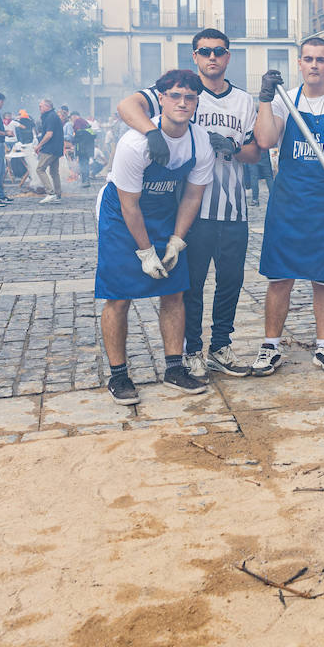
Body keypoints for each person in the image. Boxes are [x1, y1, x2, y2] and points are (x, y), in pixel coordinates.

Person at [115, 28, 280, 380]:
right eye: (204, 51)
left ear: (228, 56)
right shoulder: (182, 89)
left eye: (219, 51)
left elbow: (256, 152)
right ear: (195, 56)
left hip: (233, 205)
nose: (212, 57)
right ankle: (192, 351)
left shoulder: (242, 101)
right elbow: (127, 106)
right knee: (192, 285)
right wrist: (151, 132)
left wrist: (234, 148)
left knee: (231, 282)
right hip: (192, 210)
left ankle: (220, 346)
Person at [95, 69, 215, 404]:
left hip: (163, 214)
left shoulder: (199, 140)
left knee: (174, 293)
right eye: (175, 96)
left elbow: (192, 195)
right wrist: (145, 253)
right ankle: (119, 376)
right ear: (160, 99)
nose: (182, 103)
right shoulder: (134, 144)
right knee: (119, 297)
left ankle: (175, 368)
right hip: (121, 218)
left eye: (189, 97)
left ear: (196, 103)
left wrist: (177, 240)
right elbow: (129, 203)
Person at [254, 36, 324, 375]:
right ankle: (270, 346)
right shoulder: (284, 102)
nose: (315, 65)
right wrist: (264, 98)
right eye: (308, 59)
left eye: (321, 59)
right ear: (299, 64)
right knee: (279, 277)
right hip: (288, 203)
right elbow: (265, 140)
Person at [34, 97, 64, 204]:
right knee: (54, 172)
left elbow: (49, 134)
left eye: (41, 106)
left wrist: (39, 146)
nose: (39, 108)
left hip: (50, 149)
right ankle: (57, 194)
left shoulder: (50, 117)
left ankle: (51, 193)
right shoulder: (53, 115)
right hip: (56, 148)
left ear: (47, 106)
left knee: (40, 169)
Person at [70, 112, 95, 188]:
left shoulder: (78, 122)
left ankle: (85, 181)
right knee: (85, 164)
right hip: (87, 149)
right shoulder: (87, 126)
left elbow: (76, 137)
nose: (72, 120)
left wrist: (73, 139)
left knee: (83, 165)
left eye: (72, 117)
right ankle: (85, 181)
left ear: (75, 116)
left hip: (82, 149)